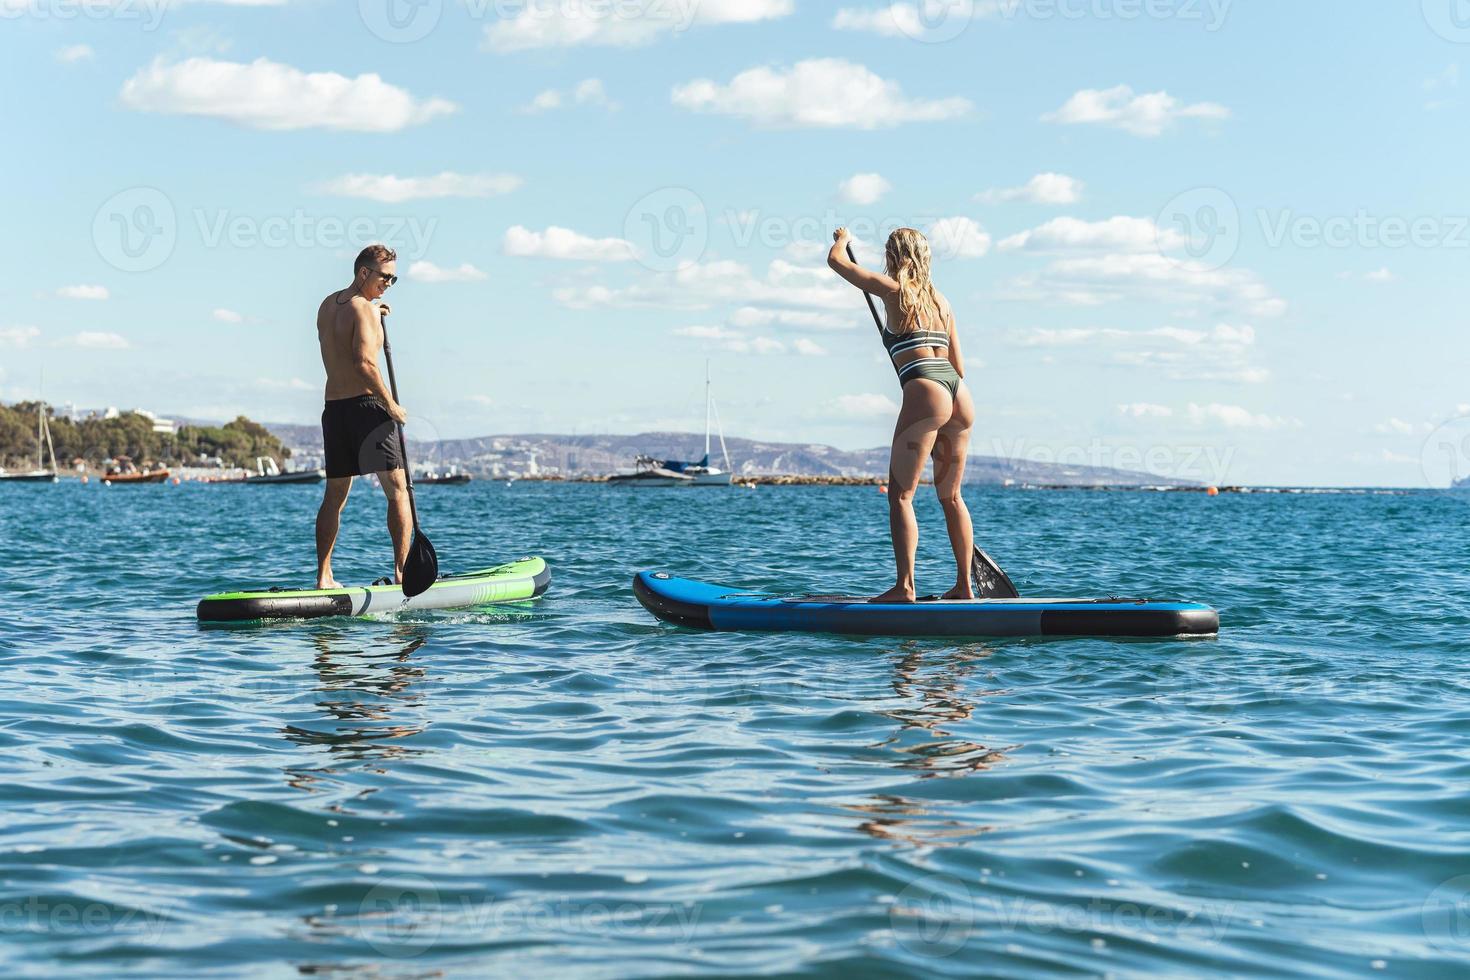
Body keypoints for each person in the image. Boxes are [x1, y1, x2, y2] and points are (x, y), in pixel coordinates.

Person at [828, 227, 977, 602]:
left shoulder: (892, 290)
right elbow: (958, 363)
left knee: (901, 495)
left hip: (926, 393)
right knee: (952, 497)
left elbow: (836, 263)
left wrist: (843, 239)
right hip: (959, 395)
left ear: (893, 256)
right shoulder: (942, 302)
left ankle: (905, 587)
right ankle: (964, 586)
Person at [314, 244, 409, 589]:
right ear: (363, 272)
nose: (389, 283)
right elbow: (364, 363)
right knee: (398, 490)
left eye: (394, 279)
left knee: (335, 495)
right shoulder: (365, 311)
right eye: (385, 277)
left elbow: (343, 337)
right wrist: (391, 405)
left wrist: (371, 308)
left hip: (334, 409)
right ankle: (402, 574)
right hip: (368, 408)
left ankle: (324, 577)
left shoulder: (327, 305)